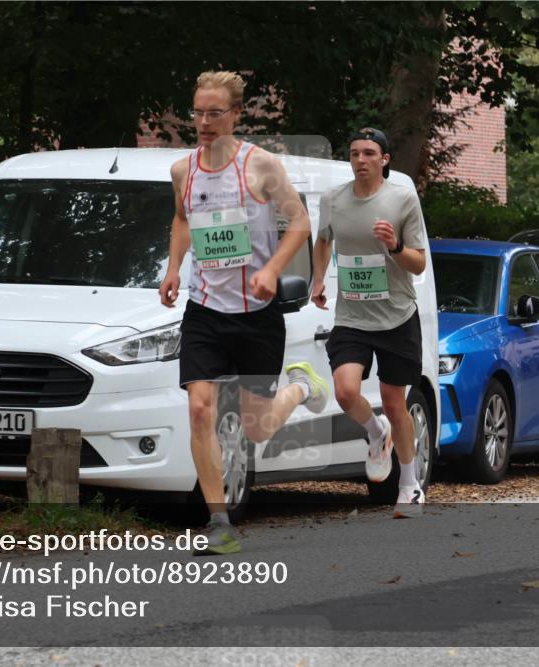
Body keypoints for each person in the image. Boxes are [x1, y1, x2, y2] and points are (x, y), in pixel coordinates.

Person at [158, 71, 330, 555]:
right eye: (198, 112)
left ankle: (301, 387)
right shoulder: (182, 170)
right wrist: (173, 268)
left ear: (236, 114)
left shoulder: (261, 166)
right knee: (199, 409)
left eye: (215, 113)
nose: (205, 122)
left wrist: (273, 269)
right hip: (205, 310)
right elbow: (181, 218)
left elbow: (300, 222)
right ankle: (219, 521)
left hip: (257, 314)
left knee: (257, 428)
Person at [311, 127, 428, 518]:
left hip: (396, 316)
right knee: (344, 392)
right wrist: (317, 279)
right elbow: (323, 240)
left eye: (369, 153)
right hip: (352, 316)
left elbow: (419, 262)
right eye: (355, 153)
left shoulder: (402, 199)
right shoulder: (333, 200)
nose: (360, 160)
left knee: (396, 402)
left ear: (385, 159)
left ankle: (409, 486)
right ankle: (377, 434)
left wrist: (394, 245)